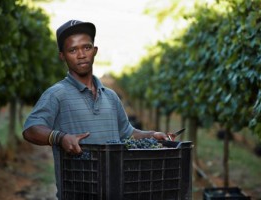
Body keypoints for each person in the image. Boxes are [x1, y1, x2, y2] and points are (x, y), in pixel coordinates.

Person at [22, 19, 174, 199]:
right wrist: (60, 138)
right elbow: (30, 129)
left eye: (86, 48)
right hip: (77, 193)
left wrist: (151, 135)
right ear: (62, 56)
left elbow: (126, 133)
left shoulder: (110, 96)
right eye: (72, 50)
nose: (81, 55)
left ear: (95, 51)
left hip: (117, 191)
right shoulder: (56, 94)